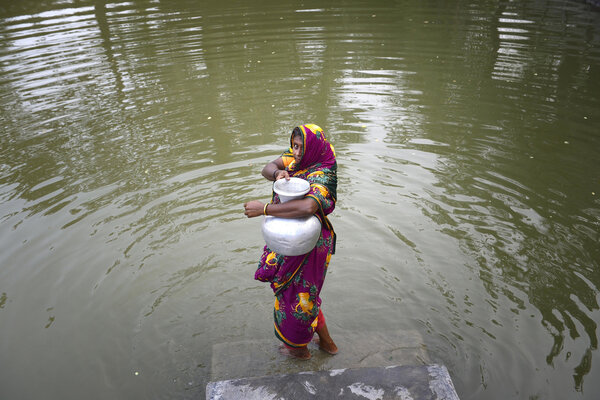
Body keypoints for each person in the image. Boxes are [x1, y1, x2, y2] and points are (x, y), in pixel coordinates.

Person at [243, 124, 338, 360]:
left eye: (299, 147)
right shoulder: (300, 158)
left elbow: (309, 206)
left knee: (298, 299)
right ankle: (328, 344)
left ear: (311, 148)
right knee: (305, 296)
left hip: (310, 243)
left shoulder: (323, 170)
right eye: (293, 146)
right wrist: (278, 173)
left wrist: (265, 209)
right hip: (290, 235)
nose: (295, 152)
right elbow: (269, 167)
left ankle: (300, 352)